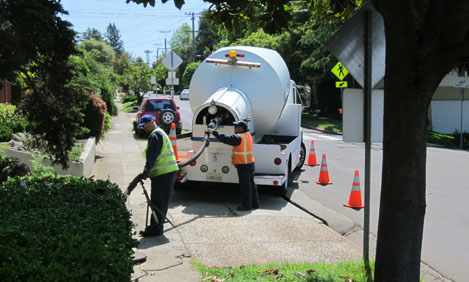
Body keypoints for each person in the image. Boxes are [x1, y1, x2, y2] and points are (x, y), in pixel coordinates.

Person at [136, 114, 179, 237]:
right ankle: (156, 226)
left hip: (164, 173)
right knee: (159, 201)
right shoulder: (159, 133)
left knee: (158, 202)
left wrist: (145, 173)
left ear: (151, 122)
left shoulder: (155, 135)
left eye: (144, 125)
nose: (143, 128)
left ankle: (156, 229)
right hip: (166, 173)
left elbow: (151, 157)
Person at [210, 120, 259, 211]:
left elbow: (226, 138)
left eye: (236, 126)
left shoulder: (239, 137)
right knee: (251, 184)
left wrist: (213, 132)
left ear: (241, 128)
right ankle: (254, 203)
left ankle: (246, 205)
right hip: (250, 163)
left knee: (245, 186)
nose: (234, 128)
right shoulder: (248, 136)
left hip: (243, 164)